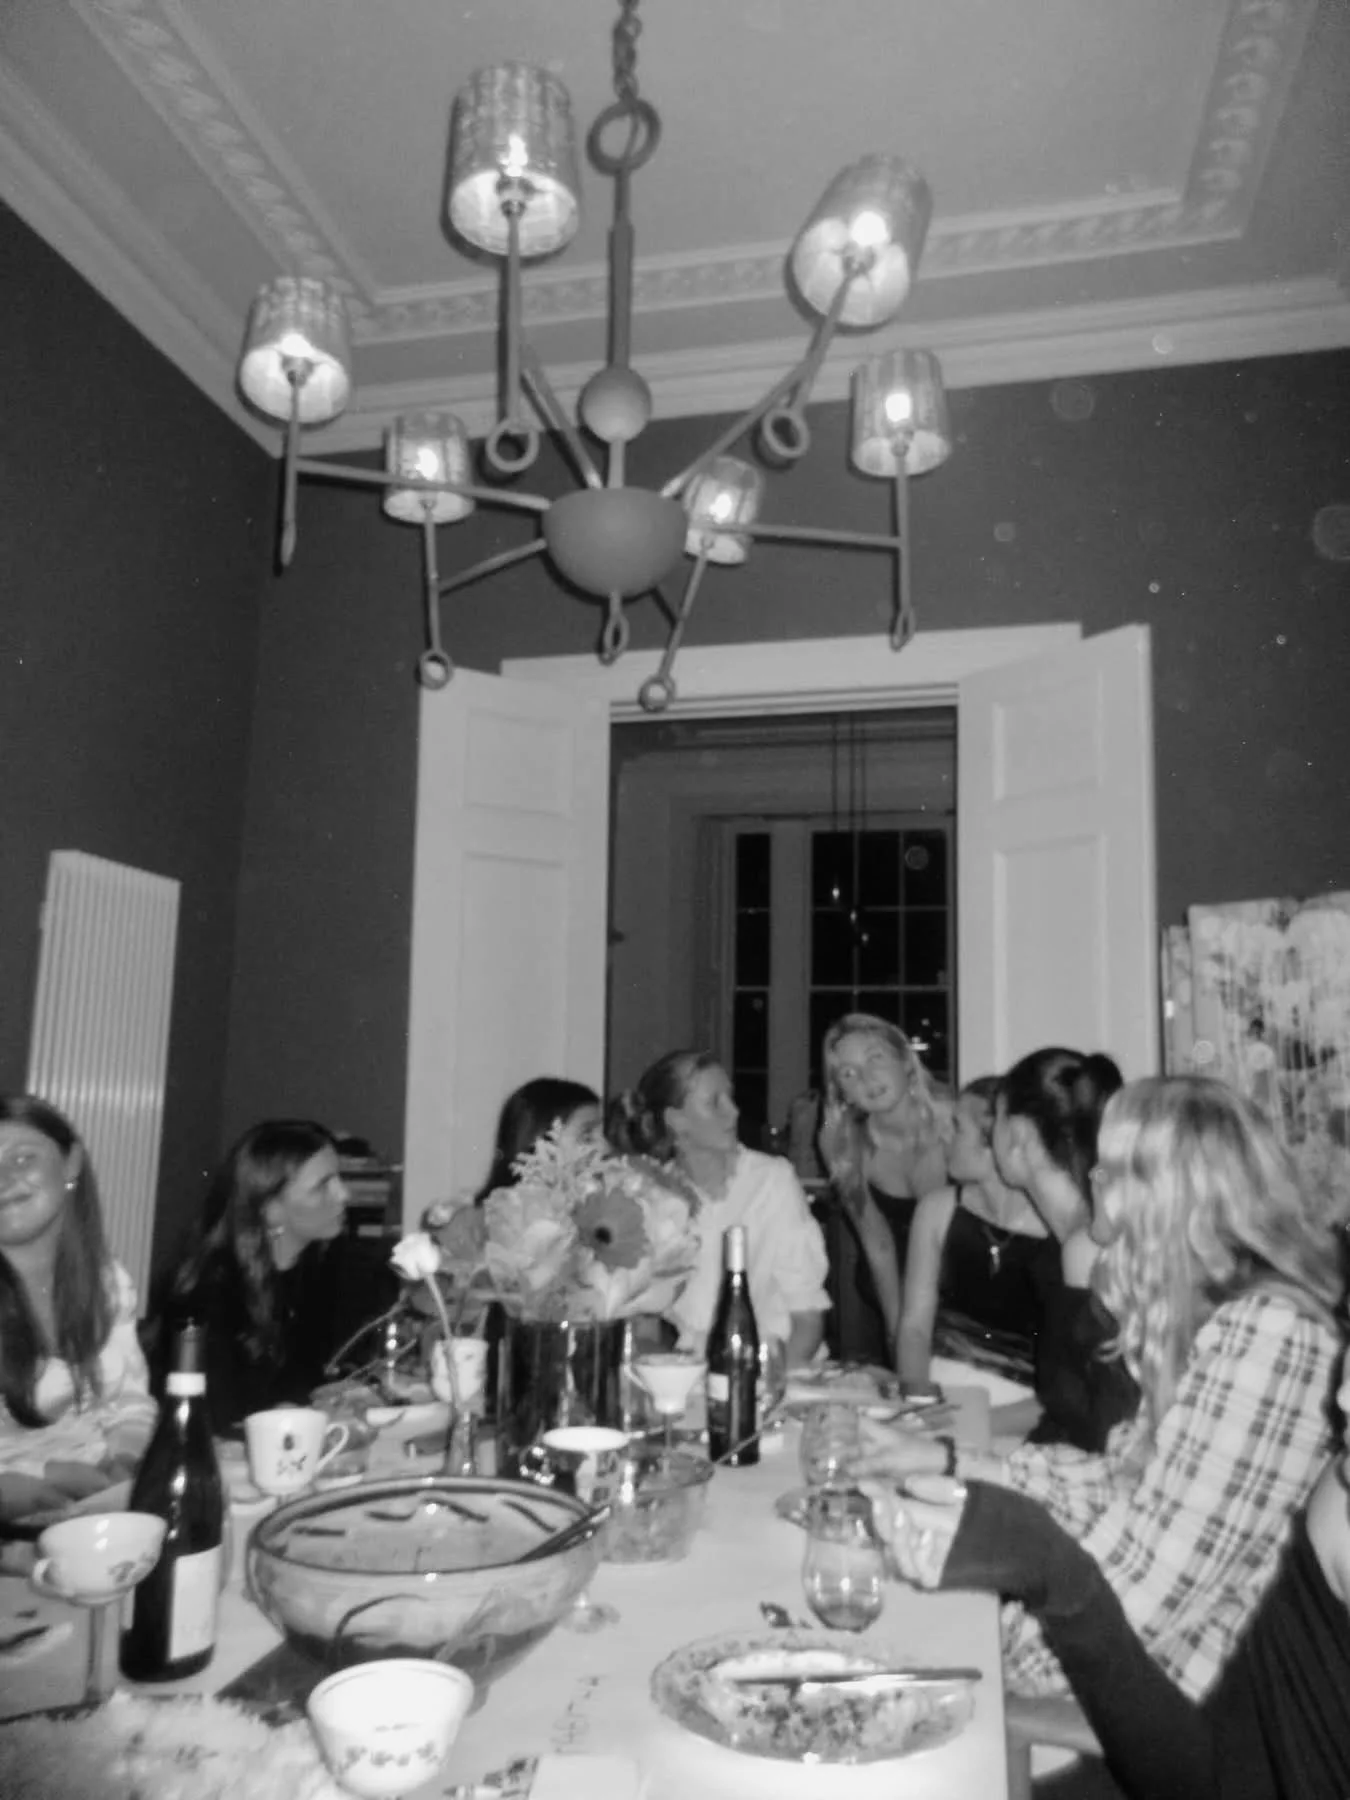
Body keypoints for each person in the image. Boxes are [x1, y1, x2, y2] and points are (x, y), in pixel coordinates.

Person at [852, 1075, 1344, 1709]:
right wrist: (948, 1464)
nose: (1093, 1181)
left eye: (1109, 1169)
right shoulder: (1210, 1314)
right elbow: (1117, 1482)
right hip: (1141, 1677)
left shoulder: (1271, 1335)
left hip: (1198, 1716)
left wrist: (965, 1646)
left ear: (1162, 1193)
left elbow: (1143, 1594)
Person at [164, 1119, 399, 1435]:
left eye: (340, 1178)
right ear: (271, 1209)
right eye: (322, 1185)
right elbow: (215, 1422)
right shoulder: (208, 1296)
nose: (344, 1194)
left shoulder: (333, 1269)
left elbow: (350, 1367)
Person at [608, 1050, 829, 1366]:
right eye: (715, 1102)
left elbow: (807, 1317)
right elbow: (641, 1322)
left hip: (782, 1368)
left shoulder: (771, 1180)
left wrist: (771, 1388)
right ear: (676, 1119)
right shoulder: (652, 1195)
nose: (735, 1111)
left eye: (731, 1097)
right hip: (693, 1375)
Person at [0, 1095, 157, 1524]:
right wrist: (40, 1478)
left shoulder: (107, 1282)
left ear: (70, 1165)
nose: (4, 1179)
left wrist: (125, 1455)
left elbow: (130, 1403)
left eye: (23, 1158)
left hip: (97, 1507)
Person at [992, 1045, 1136, 1449]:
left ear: (1018, 1135)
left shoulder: (1085, 1247)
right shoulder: (1069, 1238)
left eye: (995, 1119)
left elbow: (1099, 1423)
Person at [896, 1076, 1056, 1389]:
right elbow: (914, 1328)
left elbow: (1066, 1382)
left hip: (1024, 1404)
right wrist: (919, 1403)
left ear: (994, 1140)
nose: (943, 1135)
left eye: (957, 1126)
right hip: (939, 1386)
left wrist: (977, 1421)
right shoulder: (937, 1210)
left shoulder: (1054, 1227)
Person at [816, 1015, 952, 1366]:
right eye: (848, 1073)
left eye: (875, 1058)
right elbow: (877, 1243)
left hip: (962, 1289)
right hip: (889, 1288)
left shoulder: (954, 1125)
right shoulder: (842, 1143)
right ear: (841, 1093)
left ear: (906, 1061)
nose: (866, 1078)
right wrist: (898, 1330)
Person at [474, 1077, 602, 1201]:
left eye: (604, 1133)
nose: (605, 1146)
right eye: (587, 1136)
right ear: (542, 1145)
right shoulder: (479, 1218)